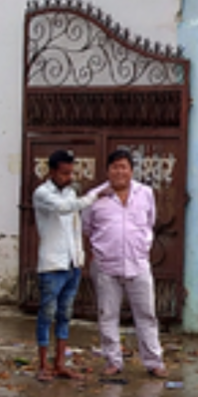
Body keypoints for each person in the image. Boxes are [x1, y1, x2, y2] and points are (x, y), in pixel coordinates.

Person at [83, 148, 164, 378]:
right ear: (107, 171)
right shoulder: (95, 198)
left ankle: (153, 362)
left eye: (124, 167)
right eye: (115, 167)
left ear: (131, 170)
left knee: (147, 315)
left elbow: (150, 222)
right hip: (106, 266)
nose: (119, 172)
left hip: (138, 264)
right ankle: (113, 361)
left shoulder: (145, 193)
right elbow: (86, 228)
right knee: (107, 315)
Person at [30, 148, 95, 382]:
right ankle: (42, 364)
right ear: (52, 171)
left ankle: (60, 363)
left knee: (65, 313)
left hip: (71, 262)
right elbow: (63, 208)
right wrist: (92, 197)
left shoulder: (70, 193)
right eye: (64, 173)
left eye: (71, 173)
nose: (69, 177)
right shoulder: (42, 193)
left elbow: (76, 226)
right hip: (51, 263)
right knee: (46, 313)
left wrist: (80, 256)